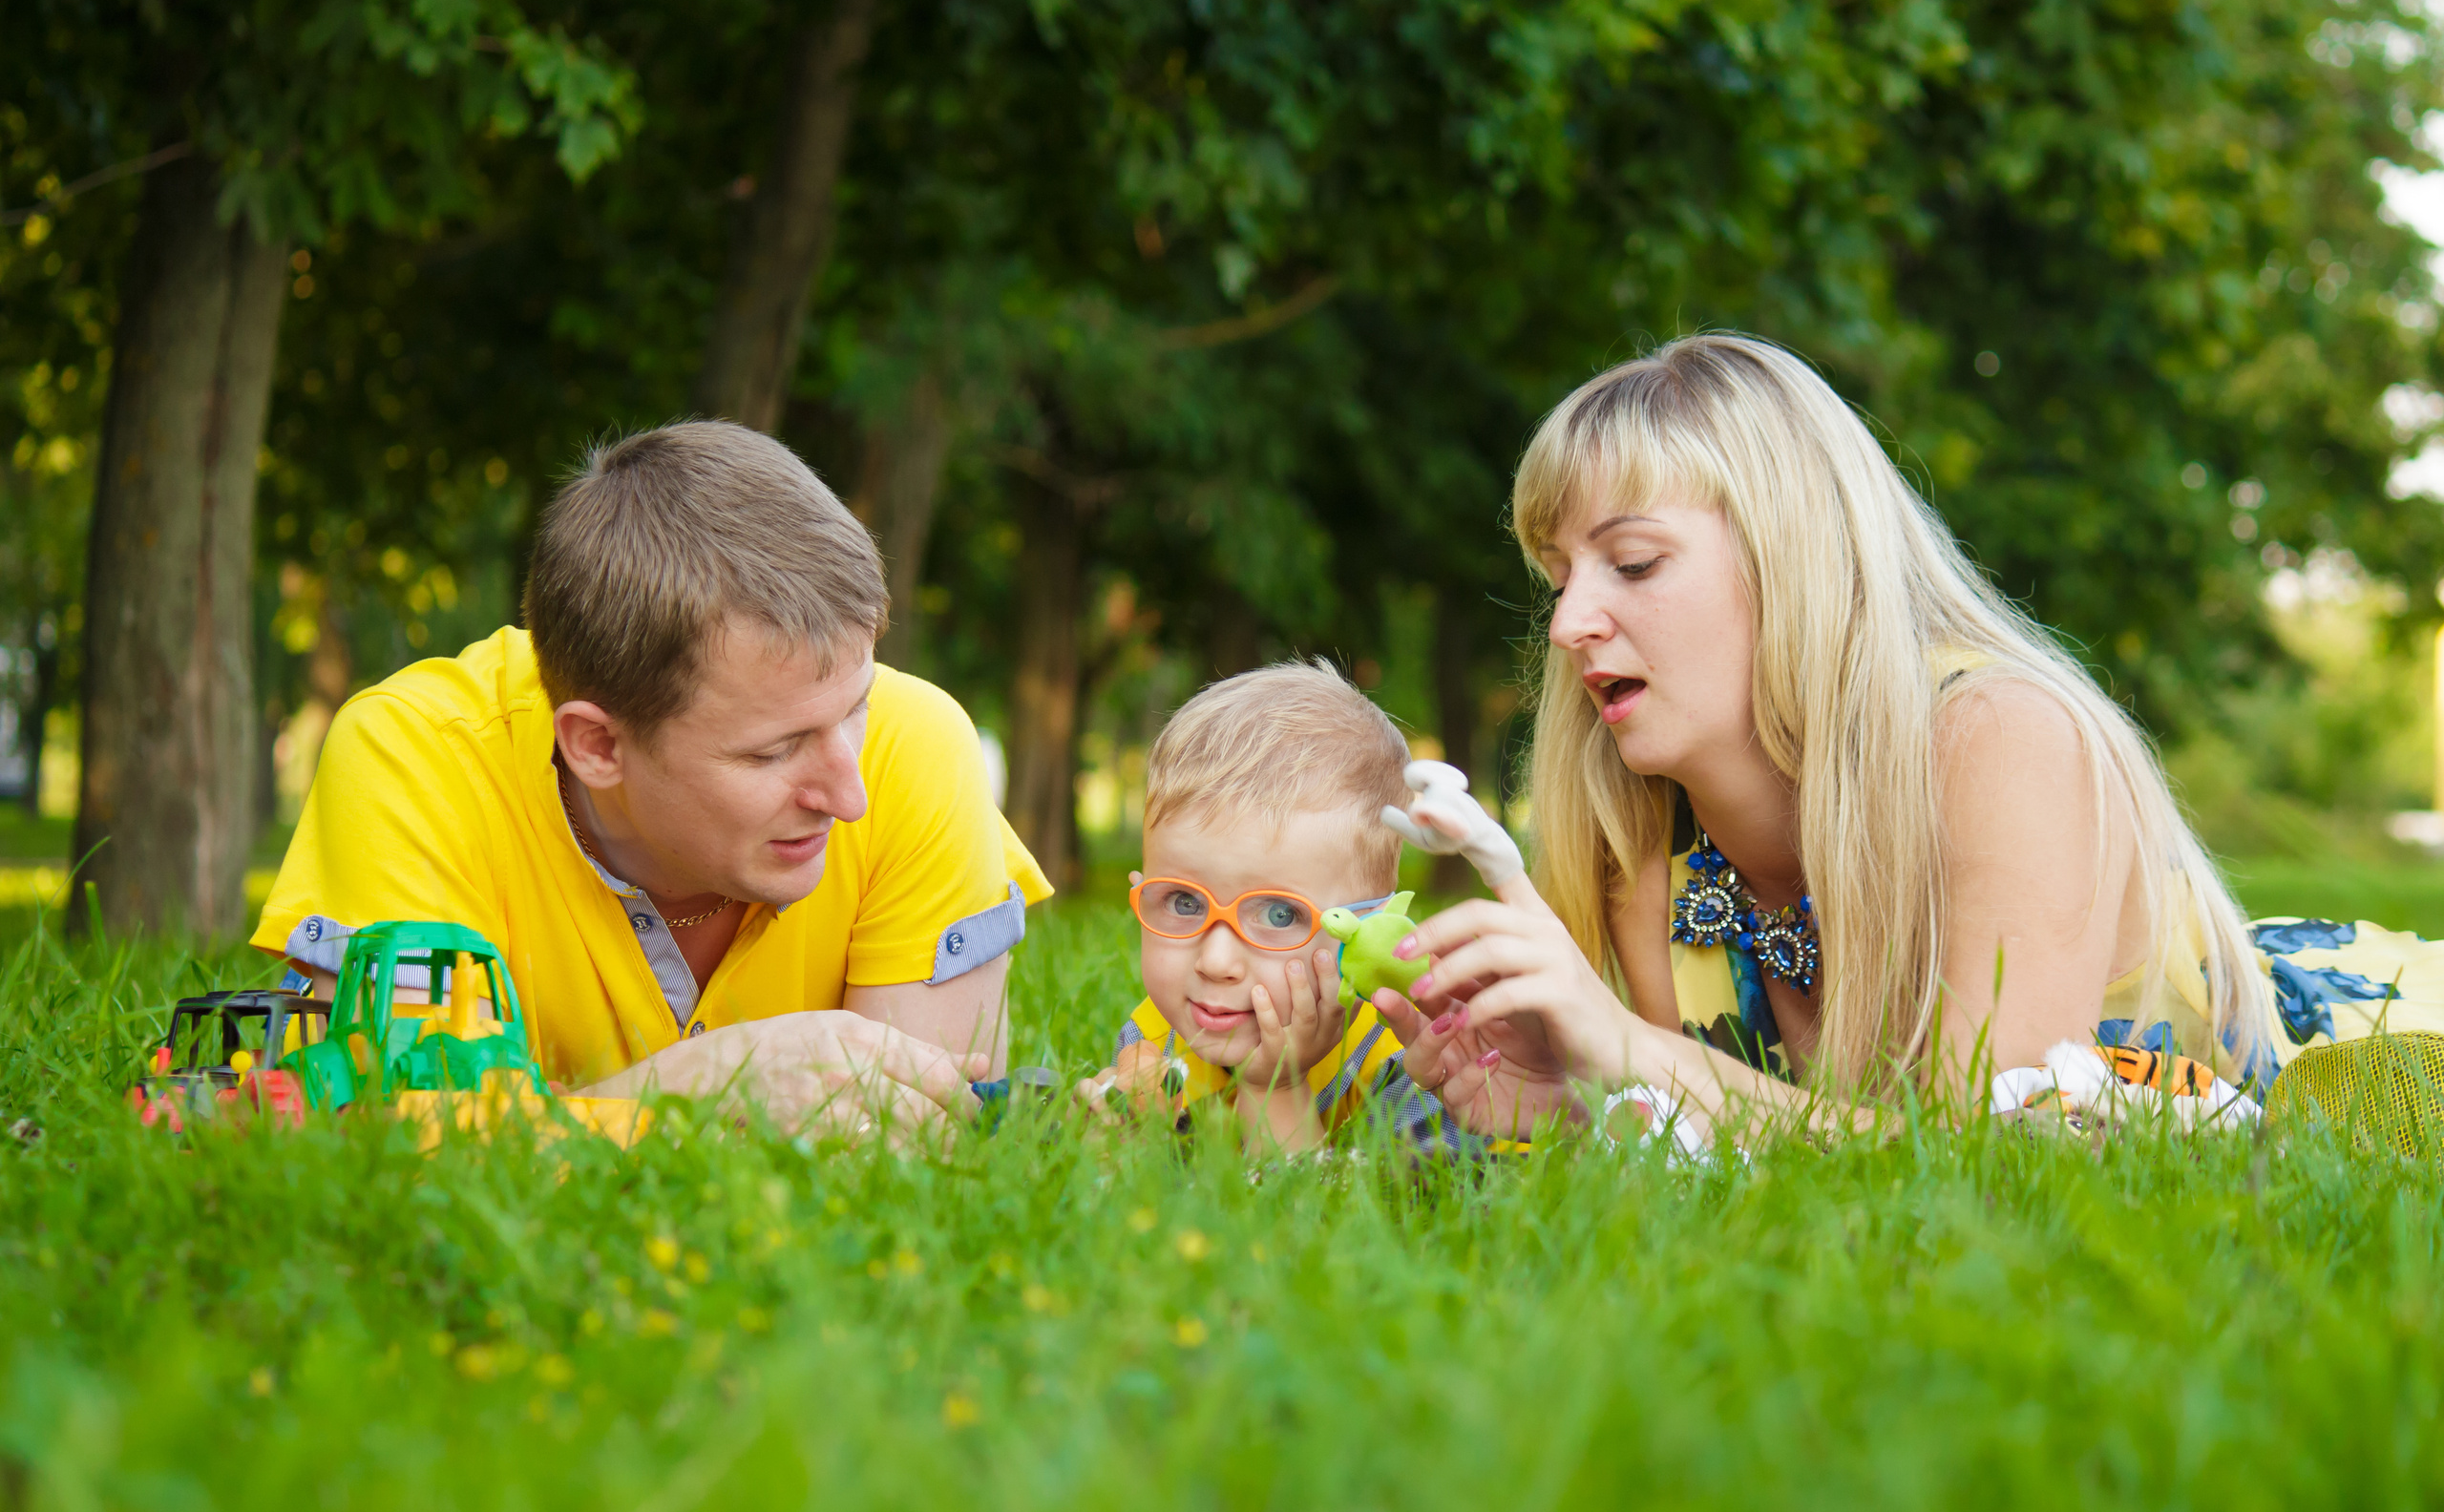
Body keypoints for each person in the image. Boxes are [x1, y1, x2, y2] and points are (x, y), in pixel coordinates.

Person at [1373, 333, 2444, 1141]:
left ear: (1793, 554)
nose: (1569, 623)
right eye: (1559, 576)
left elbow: (1989, 1156)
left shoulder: (2001, 739)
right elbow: (1771, 1162)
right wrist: (1576, 1104)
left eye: (1634, 563)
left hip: (2384, 1071)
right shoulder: (1642, 857)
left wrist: (1634, 1049)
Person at [251, 422, 1052, 1137]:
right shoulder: (414, 760)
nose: (850, 795)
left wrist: (566, 1121)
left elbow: (919, 1146)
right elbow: (398, 1138)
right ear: (598, 745)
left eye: (856, 708)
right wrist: (708, 1087)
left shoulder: (918, 745)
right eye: (773, 752)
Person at [1083, 662, 1486, 1154]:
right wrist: (1111, 1148)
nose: (1215, 962)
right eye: (1184, 902)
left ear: (1369, 931)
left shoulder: (1408, 1063)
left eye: (1279, 914)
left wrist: (1277, 1090)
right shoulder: (1153, 1039)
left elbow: (1343, 1205)